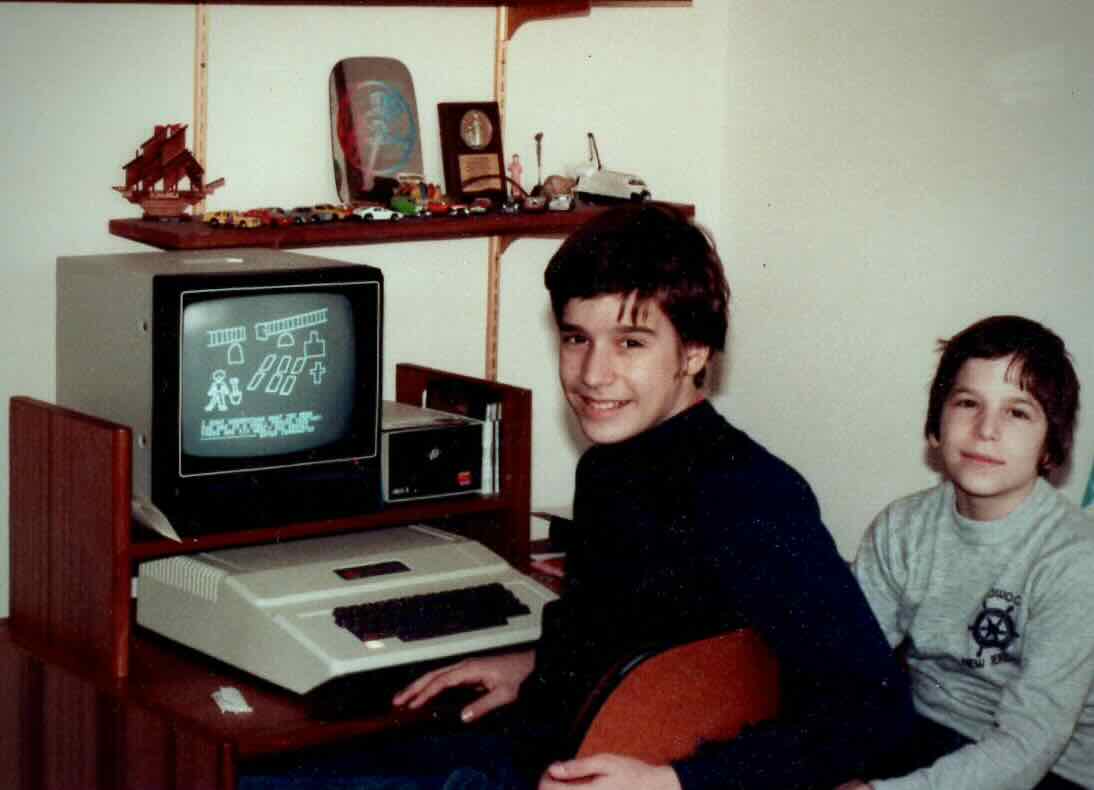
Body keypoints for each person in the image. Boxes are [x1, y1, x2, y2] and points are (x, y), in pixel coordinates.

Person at [241, 202, 912, 790]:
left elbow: (873, 713)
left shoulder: (749, 495)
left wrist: (676, 782)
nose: (594, 374)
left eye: (631, 342)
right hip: (552, 740)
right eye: (575, 338)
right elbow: (641, 632)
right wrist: (535, 666)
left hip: (593, 769)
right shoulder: (612, 466)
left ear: (695, 352)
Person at [840, 315, 1094, 790]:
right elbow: (849, 671)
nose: (986, 429)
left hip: (1048, 770)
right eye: (966, 403)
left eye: (1018, 412)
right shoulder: (902, 528)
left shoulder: (1076, 560)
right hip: (925, 734)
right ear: (937, 424)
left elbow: (1029, 744)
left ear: (1050, 446)